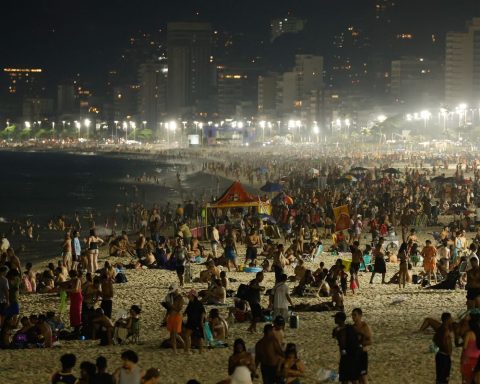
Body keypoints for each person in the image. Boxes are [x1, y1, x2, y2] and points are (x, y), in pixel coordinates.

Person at [332, 311, 361, 384]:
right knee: (353, 378)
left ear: (340, 319)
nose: (334, 319)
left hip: (346, 356)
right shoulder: (350, 327)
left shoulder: (338, 330)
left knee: (345, 378)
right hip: (353, 355)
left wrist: (343, 351)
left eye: (336, 318)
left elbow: (342, 342)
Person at [351, 308, 372, 384]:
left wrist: (362, 345)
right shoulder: (352, 328)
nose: (353, 317)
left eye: (355, 315)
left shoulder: (364, 326)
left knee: (363, 376)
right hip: (355, 354)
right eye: (352, 315)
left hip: (362, 354)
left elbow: (369, 341)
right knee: (356, 377)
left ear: (360, 316)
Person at [184, 289, 206, 354]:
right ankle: (187, 350)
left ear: (193, 296)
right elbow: (187, 310)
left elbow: (203, 313)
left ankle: (200, 351)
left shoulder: (198, 303)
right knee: (187, 336)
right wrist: (183, 314)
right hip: (191, 321)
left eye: (189, 295)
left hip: (197, 322)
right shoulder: (190, 303)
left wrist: (201, 321)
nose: (188, 296)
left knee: (199, 337)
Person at [433, 313, 453, 384]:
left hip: (439, 354)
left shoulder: (440, 328)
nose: (452, 320)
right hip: (444, 356)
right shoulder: (445, 330)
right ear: (447, 320)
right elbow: (445, 342)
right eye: (451, 318)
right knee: (444, 378)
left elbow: (434, 339)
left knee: (439, 377)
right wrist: (448, 351)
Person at [461, 317, 480, 384]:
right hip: (477, 359)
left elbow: (464, 348)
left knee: (467, 380)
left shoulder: (469, 334)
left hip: (468, 359)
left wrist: (462, 360)